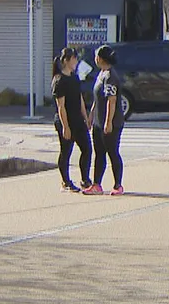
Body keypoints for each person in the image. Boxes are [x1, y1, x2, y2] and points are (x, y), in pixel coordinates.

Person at [84, 45, 126, 195]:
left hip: (111, 123)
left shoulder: (110, 76)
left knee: (112, 152)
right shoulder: (101, 74)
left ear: (100, 58)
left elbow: (111, 101)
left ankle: (118, 185)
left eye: (96, 56)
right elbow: (98, 97)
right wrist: (91, 115)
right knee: (99, 152)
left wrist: (108, 122)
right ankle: (97, 184)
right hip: (98, 121)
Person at [51, 47, 92, 193]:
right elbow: (61, 106)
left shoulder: (74, 77)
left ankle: (85, 179)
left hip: (78, 119)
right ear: (66, 61)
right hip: (66, 120)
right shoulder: (59, 80)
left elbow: (79, 98)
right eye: (73, 58)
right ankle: (66, 181)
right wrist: (65, 127)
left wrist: (86, 117)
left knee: (87, 149)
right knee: (66, 151)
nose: (76, 61)